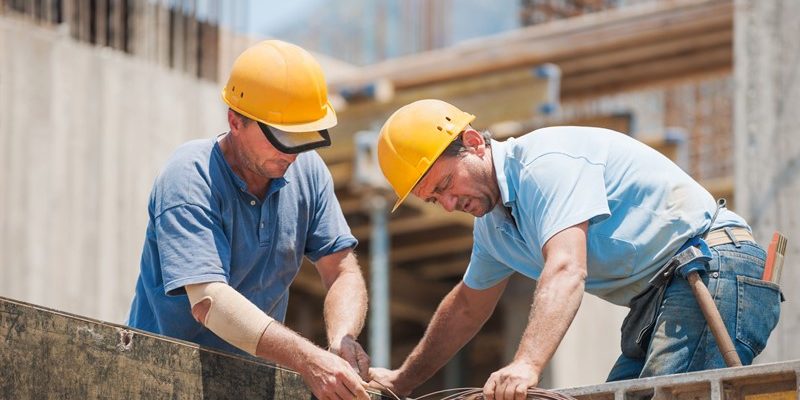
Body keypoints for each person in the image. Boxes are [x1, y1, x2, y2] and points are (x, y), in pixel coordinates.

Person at [368, 99, 781, 399]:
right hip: (663, 297)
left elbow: (566, 269)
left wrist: (526, 364)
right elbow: (465, 308)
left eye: (445, 184)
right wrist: (402, 381)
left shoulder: (543, 165)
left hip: (714, 269)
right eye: (434, 200)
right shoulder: (494, 229)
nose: (449, 203)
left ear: (474, 142)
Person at [127, 40, 371, 400]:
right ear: (235, 121)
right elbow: (209, 301)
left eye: (304, 137)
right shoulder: (190, 177)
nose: (293, 152)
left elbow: (342, 270)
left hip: (251, 383)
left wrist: (341, 341)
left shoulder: (309, 172)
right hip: (162, 380)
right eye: (282, 137)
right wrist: (308, 360)